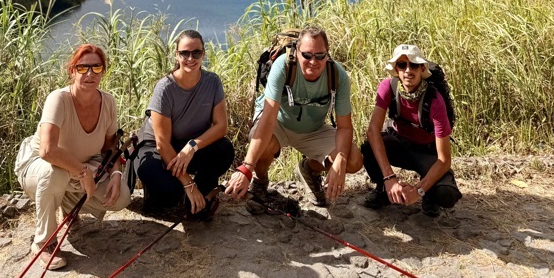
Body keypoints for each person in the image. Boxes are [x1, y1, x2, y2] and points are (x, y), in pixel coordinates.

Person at [15, 44, 130, 269]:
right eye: (83, 67)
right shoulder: (58, 99)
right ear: (72, 71)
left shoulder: (108, 101)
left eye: (96, 68)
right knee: (54, 173)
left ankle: (68, 209)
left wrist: (116, 172)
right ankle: (43, 243)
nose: (90, 74)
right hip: (39, 165)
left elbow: (110, 147)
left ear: (103, 71)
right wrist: (84, 173)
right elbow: (47, 151)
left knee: (122, 196)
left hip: (82, 167)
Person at [226, 25, 362, 206]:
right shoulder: (283, 66)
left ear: (327, 53)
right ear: (297, 52)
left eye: (320, 55)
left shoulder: (338, 75)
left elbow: (344, 126)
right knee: (264, 143)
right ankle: (260, 182)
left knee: (353, 160)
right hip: (278, 123)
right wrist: (247, 168)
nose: (313, 61)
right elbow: (267, 119)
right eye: (307, 55)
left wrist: (341, 160)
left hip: (313, 129)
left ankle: (309, 170)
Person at [134, 29, 234, 219]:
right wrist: (188, 183)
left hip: (187, 144)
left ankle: (198, 198)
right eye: (184, 53)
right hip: (157, 149)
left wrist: (192, 146)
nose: (190, 58)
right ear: (176, 55)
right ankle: (180, 193)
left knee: (224, 149)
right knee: (167, 191)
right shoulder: (165, 88)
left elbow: (221, 127)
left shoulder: (212, 82)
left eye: (196, 53)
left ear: (203, 54)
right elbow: (162, 143)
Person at [360, 44, 462, 217]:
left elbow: (444, 160)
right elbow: (372, 131)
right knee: (368, 147)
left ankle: (429, 195)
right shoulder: (388, 87)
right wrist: (389, 178)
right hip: (399, 143)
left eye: (414, 65)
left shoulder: (434, 100)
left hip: (426, 153)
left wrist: (419, 190)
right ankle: (384, 189)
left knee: (446, 195)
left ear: (422, 68)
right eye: (402, 65)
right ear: (396, 70)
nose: (408, 70)